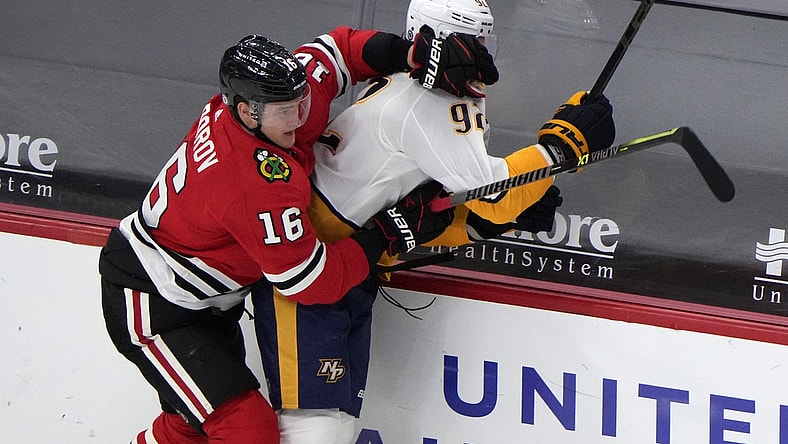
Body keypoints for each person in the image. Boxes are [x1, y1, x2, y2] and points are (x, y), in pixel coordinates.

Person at [98, 25, 495, 443]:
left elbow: (340, 50)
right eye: (285, 111)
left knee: (192, 421)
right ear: (247, 111)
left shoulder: (268, 103)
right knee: (245, 428)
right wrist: (385, 234)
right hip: (155, 304)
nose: (300, 119)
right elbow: (312, 281)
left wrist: (413, 53)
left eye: (301, 103)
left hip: (203, 302)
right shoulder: (249, 181)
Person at [250, 0, 615, 442]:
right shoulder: (430, 100)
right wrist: (560, 150)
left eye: (488, 40)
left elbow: (424, 207)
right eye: (477, 41)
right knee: (313, 429)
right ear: (446, 40)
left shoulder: (417, 85)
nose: (485, 53)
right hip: (309, 273)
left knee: (338, 425)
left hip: (348, 266)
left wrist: (487, 225)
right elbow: (492, 195)